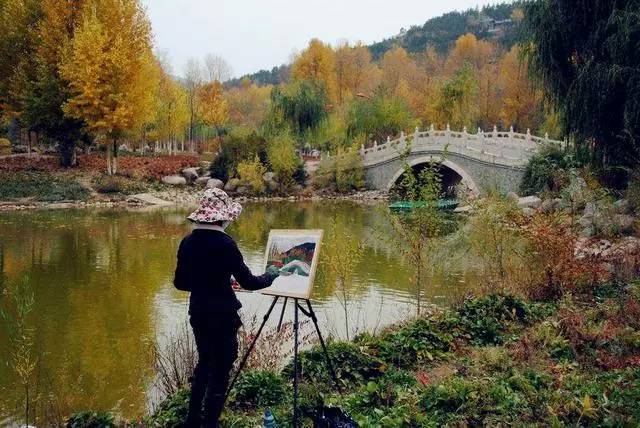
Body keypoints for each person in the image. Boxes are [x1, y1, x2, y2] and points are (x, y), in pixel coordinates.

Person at [173, 188, 280, 427]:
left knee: (204, 363)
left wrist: (216, 280)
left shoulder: (188, 242)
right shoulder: (225, 243)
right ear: (223, 217)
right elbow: (250, 282)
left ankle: (192, 420)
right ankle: (211, 422)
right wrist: (271, 275)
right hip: (222, 316)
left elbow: (181, 283)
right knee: (221, 368)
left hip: (199, 313)